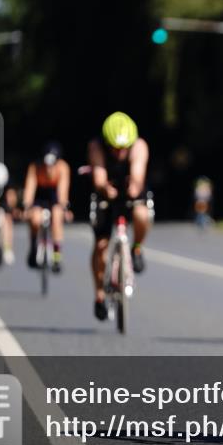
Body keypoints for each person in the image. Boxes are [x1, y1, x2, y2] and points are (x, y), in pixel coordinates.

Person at [88, 112, 150, 321]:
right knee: (101, 246)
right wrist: (105, 188)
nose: (120, 152)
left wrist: (133, 187)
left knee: (143, 214)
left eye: (124, 148)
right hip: (107, 191)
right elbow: (98, 177)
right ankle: (99, 295)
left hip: (129, 189)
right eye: (115, 147)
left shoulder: (139, 146)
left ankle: (137, 249)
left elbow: (138, 174)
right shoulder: (97, 146)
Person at [22, 142, 72, 272]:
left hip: (55, 196)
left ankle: (56, 255)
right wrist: (27, 206)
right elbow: (30, 187)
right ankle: (33, 248)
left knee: (57, 216)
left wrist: (64, 208)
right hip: (40, 197)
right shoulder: (35, 167)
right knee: (35, 219)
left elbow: (63, 190)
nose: (49, 168)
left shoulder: (63, 168)